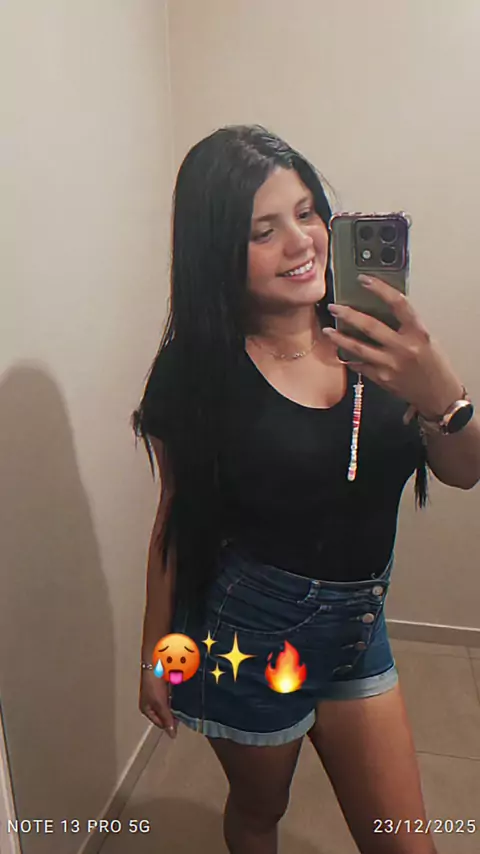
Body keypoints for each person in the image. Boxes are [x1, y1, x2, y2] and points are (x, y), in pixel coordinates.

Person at [132, 125, 479, 854]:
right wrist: (157, 656)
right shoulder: (195, 372)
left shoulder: (383, 345)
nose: (301, 242)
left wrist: (446, 397)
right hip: (247, 634)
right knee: (262, 810)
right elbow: (175, 520)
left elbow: (463, 470)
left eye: (306, 212)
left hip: (358, 630)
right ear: (216, 251)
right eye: (264, 231)